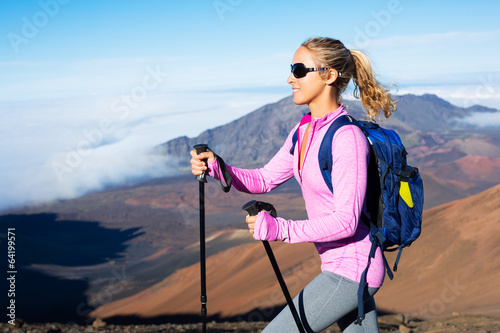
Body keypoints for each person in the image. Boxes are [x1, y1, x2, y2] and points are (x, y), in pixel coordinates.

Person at [190, 37, 397, 333]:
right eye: (291, 69)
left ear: (329, 75)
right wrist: (217, 167)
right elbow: (264, 179)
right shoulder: (303, 131)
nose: (290, 79)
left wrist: (280, 229)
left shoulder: (346, 138)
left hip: (353, 269)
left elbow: (346, 222)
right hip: (341, 268)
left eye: (299, 70)